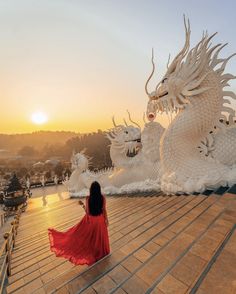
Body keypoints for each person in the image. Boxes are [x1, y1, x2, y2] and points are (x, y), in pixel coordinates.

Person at [48, 181, 110, 265]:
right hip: (100, 220)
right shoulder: (102, 198)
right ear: (99, 189)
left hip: (91, 220)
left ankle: (92, 250)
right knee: (99, 237)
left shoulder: (88, 198)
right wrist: (106, 220)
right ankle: (101, 252)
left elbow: (88, 212)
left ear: (91, 189)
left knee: (83, 235)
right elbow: (104, 210)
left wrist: (83, 206)